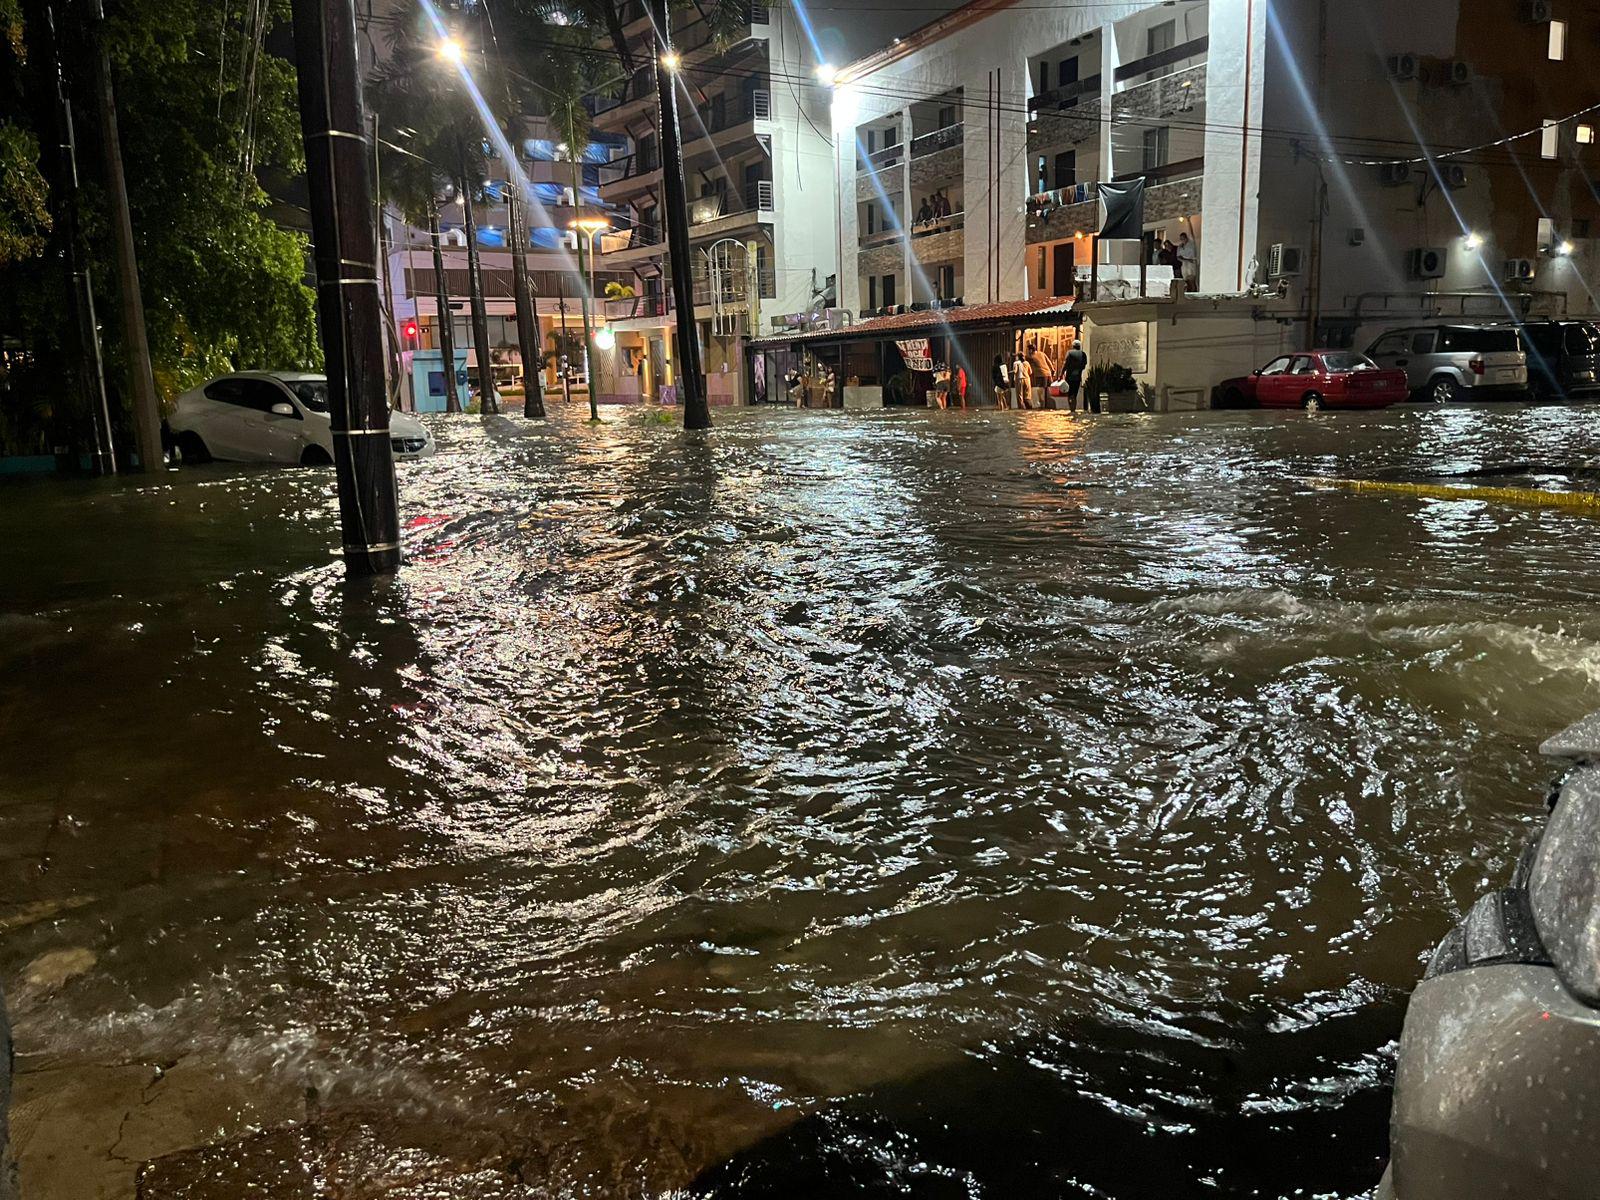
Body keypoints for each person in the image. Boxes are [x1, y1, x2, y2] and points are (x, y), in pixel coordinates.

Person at [1063, 338, 1088, 411]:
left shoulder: (1069, 353)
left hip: (1069, 377)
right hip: (1077, 378)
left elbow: (1065, 365)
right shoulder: (1083, 354)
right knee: (1074, 394)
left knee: (1070, 394)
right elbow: (1084, 366)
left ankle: (1071, 409)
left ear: (1073, 346)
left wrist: (1061, 374)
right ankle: (1073, 409)